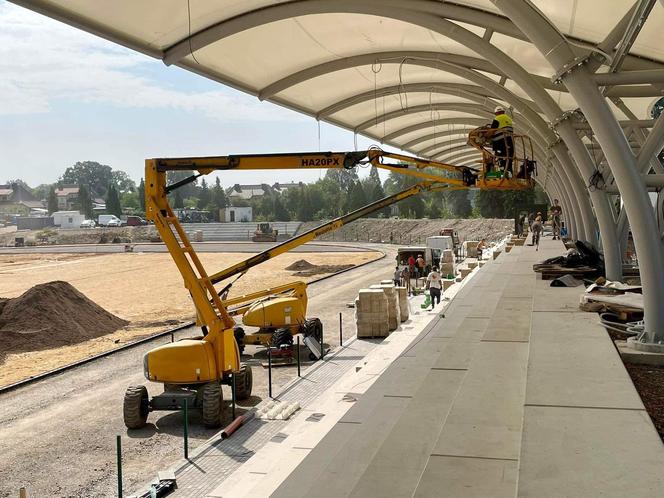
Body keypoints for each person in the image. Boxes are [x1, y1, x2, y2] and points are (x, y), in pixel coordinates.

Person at [488, 105, 514, 174]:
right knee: (509, 158)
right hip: (510, 142)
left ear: (496, 113)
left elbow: (492, 131)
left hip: (500, 143)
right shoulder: (509, 119)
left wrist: (487, 136)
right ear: (503, 112)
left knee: (500, 158)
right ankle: (510, 173)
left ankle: (503, 174)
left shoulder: (497, 119)